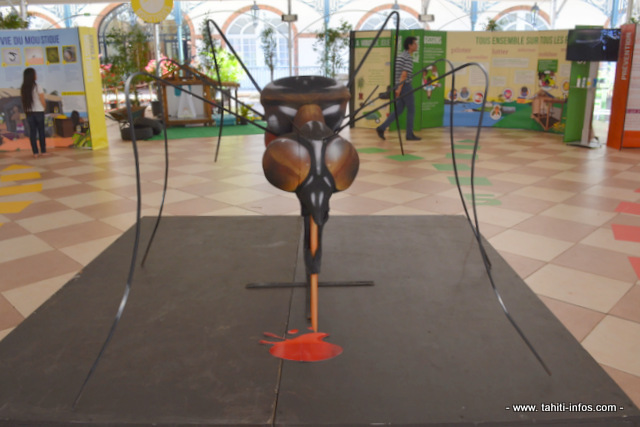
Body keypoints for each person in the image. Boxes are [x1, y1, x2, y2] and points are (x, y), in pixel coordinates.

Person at [376, 36, 421, 141]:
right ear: (410, 45)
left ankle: (381, 128)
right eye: (415, 43)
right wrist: (399, 89)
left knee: (399, 110)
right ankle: (409, 134)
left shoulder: (401, 56)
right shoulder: (408, 57)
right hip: (405, 85)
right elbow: (404, 74)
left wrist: (398, 87)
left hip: (399, 85)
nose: (416, 45)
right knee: (411, 110)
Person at [21, 67, 48, 158]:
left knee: (32, 132)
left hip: (29, 112)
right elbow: (42, 100)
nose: (36, 75)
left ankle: (35, 152)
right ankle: (43, 151)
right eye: (35, 74)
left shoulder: (23, 88)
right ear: (32, 76)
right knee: (41, 132)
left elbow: (23, 101)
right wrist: (44, 108)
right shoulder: (38, 87)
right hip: (39, 111)